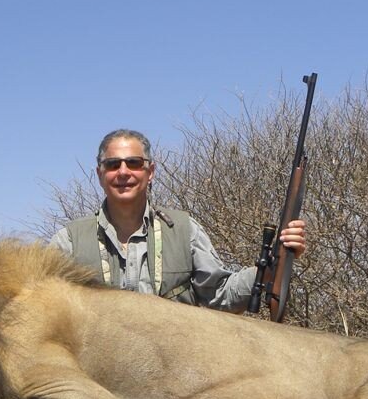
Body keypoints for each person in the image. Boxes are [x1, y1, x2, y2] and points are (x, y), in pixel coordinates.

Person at [49, 129, 307, 312]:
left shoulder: (184, 230)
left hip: (174, 380)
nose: (124, 172)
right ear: (100, 173)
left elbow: (219, 296)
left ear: (150, 172)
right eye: (113, 164)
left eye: (134, 163)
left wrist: (275, 262)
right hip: (98, 382)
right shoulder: (69, 240)